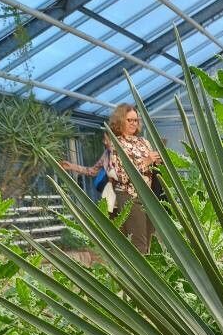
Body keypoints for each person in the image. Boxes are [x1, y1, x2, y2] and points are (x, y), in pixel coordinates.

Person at [61, 103, 162, 254]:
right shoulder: (116, 146)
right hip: (127, 195)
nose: (134, 123)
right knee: (138, 242)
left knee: (150, 241)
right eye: (129, 120)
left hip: (147, 196)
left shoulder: (144, 142)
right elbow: (120, 175)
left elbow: (151, 168)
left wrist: (157, 161)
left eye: (136, 120)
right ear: (120, 120)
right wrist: (146, 161)